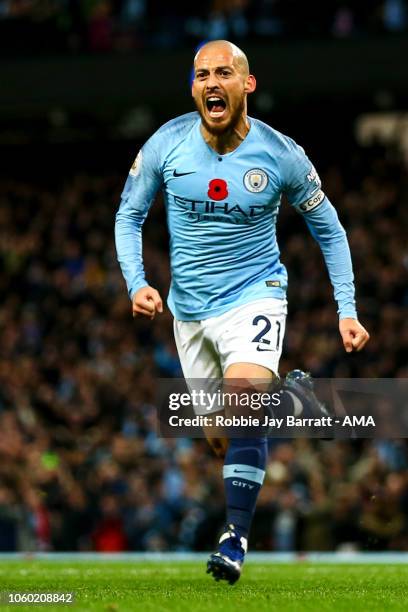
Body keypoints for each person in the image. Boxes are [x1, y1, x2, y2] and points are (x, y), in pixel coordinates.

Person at [115, 40, 370, 583]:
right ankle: (297, 400)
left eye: (224, 73)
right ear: (192, 87)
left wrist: (346, 308)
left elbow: (329, 228)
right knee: (221, 436)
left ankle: (234, 540)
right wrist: (136, 282)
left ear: (246, 84)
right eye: (202, 74)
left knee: (244, 402)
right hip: (189, 312)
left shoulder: (281, 154)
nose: (212, 82)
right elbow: (128, 216)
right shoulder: (167, 143)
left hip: (255, 294)